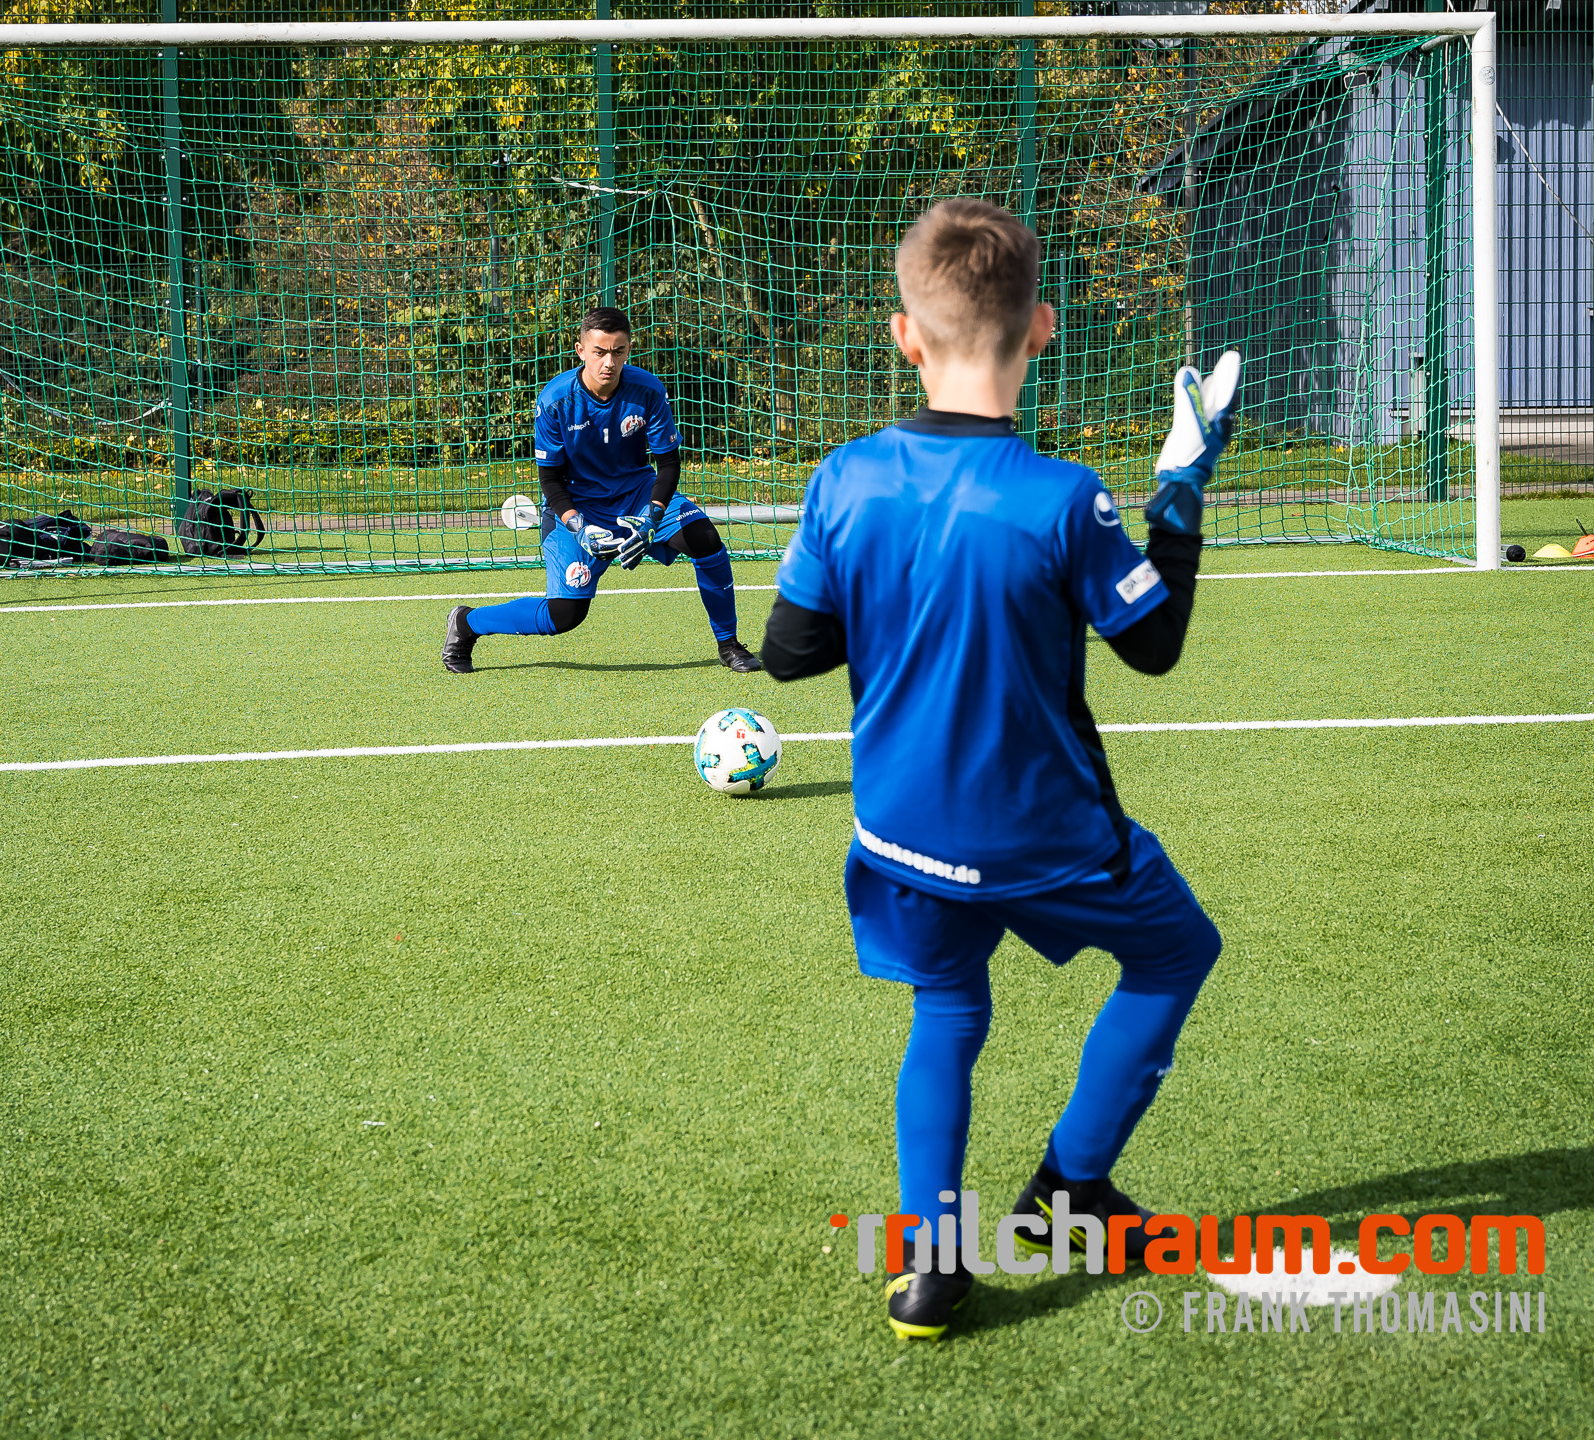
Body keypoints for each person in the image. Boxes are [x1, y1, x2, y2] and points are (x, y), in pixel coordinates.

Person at [760, 199, 1240, 1341]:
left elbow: (786, 655)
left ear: (903, 336)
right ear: (1043, 330)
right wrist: (1180, 485)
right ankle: (1069, 1188)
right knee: (1178, 951)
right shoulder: (1066, 496)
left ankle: (930, 1269)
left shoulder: (847, 478)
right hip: (1047, 835)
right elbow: (1154, 645)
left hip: (901, 835)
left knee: (945, 1005)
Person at [441, 306, 762, 674]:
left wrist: (652, 518)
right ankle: (467, 622)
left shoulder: (648, 391)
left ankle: (729, 644)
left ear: (629, 350)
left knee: (704, 537)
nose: (609, 362)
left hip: (636, 493)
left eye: (618, 351)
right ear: (580, 350)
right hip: (578, 505)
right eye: (599, 352)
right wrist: (579, 525)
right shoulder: (555, 400)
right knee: (565, 615)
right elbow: (550, 480)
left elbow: (668, 464)